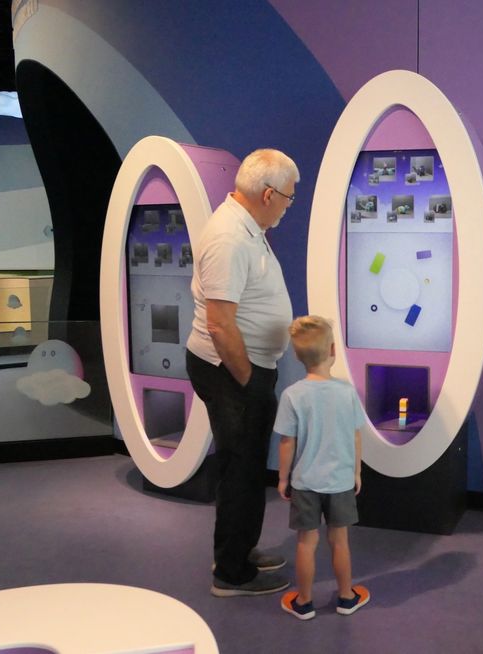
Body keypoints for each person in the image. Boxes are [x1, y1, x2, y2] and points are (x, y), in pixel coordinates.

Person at [185, 148, 299, 597]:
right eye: (289, 197)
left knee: (244, 467)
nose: (289, 206)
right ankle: (231, 574)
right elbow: (219, 324)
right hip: (231, 370)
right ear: (269, 194)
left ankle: (236, 551)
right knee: (243, 470)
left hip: (243, 367)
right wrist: (250, 383)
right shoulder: (230, 237)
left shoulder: (247, 226)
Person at [275, 315, 370, 620]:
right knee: (339, 541)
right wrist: (356, 472)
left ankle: (303, 602)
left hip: (305, 483)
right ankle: (346, 597)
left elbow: (287, 443)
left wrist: (282, 478)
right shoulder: (346, 393)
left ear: (298, 356)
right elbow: (356, 436)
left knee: (306, 543)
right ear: (332, 351)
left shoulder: (292, 395)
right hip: (340, 482)